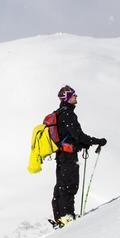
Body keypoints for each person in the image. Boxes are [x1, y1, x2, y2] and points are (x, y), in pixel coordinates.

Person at [51, 85, 106, 227]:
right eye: (74, 95)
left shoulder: (58, 113)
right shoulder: (68, 114)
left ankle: (60, 218)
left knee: (61, 185)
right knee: (69, 185)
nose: (76, 97)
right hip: (68, 156)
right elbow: (78, 135)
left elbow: (71, 136)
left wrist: (82, 144)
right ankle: (67, 217)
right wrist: (96, 141)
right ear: (67, 98)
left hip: (61, 155)